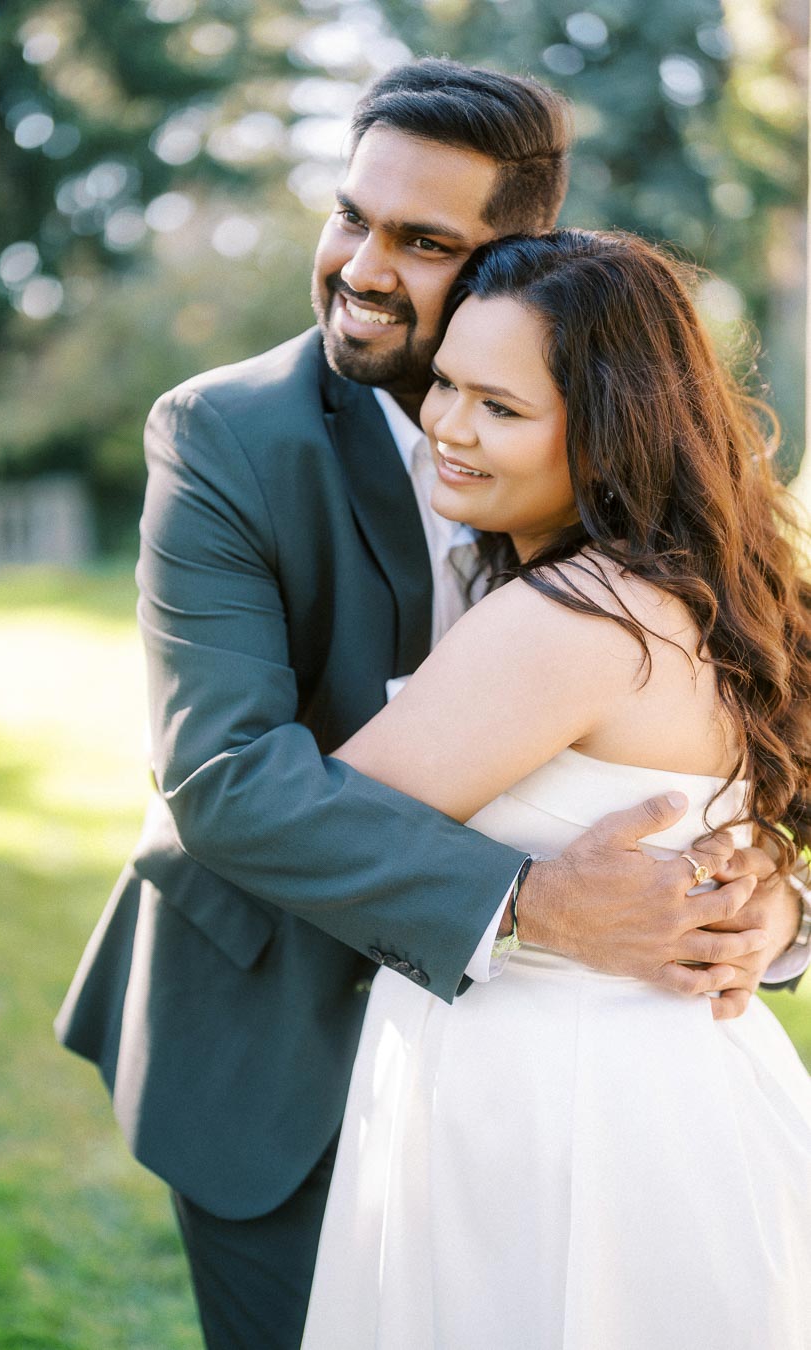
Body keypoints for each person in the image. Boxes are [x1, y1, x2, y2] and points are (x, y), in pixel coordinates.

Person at [54, 61, 807, 1348]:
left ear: (521, 260)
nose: (359, 265)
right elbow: (224, 779)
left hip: (564, 1087)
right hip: (269, 1039)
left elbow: (748, 732)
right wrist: (522, 903)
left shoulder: (631, 496)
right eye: (351, 214)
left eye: (422, 241)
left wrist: (769, 905)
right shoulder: (226, 434)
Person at [300, 229, 811, 1349]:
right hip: (683, 1097)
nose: (446, 425)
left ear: (610, 432)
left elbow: (314, 836)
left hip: (558, 1117)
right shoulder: (706, 592)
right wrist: (776, 894)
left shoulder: (573, 619)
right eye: (446, 384)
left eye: (501, 407)